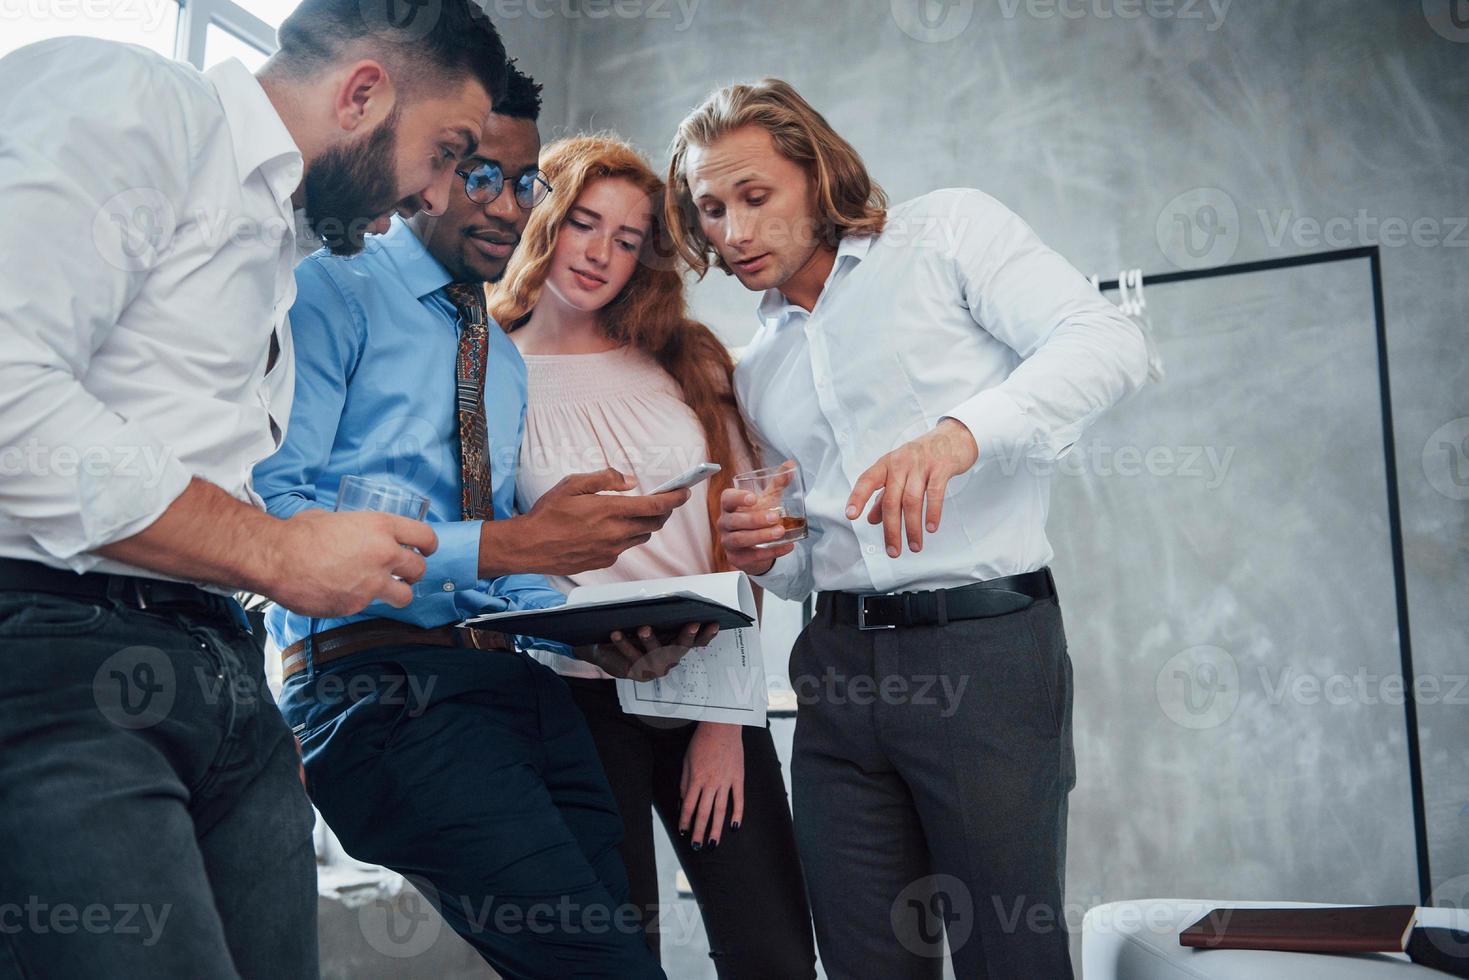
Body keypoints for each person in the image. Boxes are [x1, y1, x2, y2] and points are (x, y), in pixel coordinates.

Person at [0, 2, 512, 975]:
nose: (437, 195)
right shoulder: (133, 100)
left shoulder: (276, 249)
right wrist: (275, 552)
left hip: (224, 671)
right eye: (445, 152)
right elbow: (7, 388)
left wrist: (296, 554)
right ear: (362, 93)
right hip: (55, 664)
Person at [668, 79, 1153, 979]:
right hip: (834, 675)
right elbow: (806, 565)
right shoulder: (758, 368)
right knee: (864, 963)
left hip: (983, 657)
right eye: (709, 210)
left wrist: (959, 435)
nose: (730, 233)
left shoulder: (947, 234)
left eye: (753, 197)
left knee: (1008, 956)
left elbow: (1106, 341)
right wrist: (763, 553)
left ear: (815, 174)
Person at [254, 69, 713, 980]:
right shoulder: (332, 290)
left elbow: (498, 553)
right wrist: (509, 544)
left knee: (623, 953)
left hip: (519, 688)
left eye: (523, 180)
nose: (508, 205)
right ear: (429, 167)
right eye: (479, 175)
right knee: (605, 967)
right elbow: (272, 513)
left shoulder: (497, 356)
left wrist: (589, 625)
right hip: (378, 687)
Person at [490, 133, 818, 979]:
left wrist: (722, 717)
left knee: (772, 954)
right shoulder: (485, 366)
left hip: (708, 689)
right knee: (616, 958)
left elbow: (746, 543)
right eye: (585, 224)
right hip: (566, 701)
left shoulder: (688, 357)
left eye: (628, 239)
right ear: (546, 221)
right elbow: (486, 547)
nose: (601, 254)